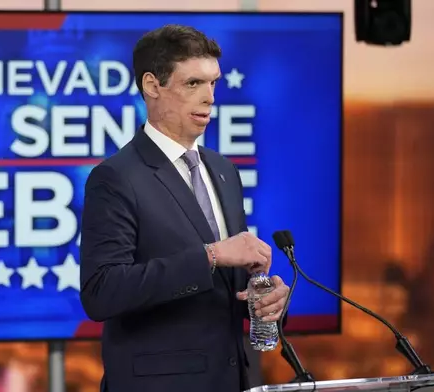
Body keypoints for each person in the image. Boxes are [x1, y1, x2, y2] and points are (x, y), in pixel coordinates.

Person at [79, 24, 290, 392]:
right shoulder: (115, 177)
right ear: (152, 85)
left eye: (213, 83)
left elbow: (223, 289)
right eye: (193, 83)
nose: (209, 97)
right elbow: (102, 292)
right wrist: (211, 255)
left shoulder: (224, 171)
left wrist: (261, 299)